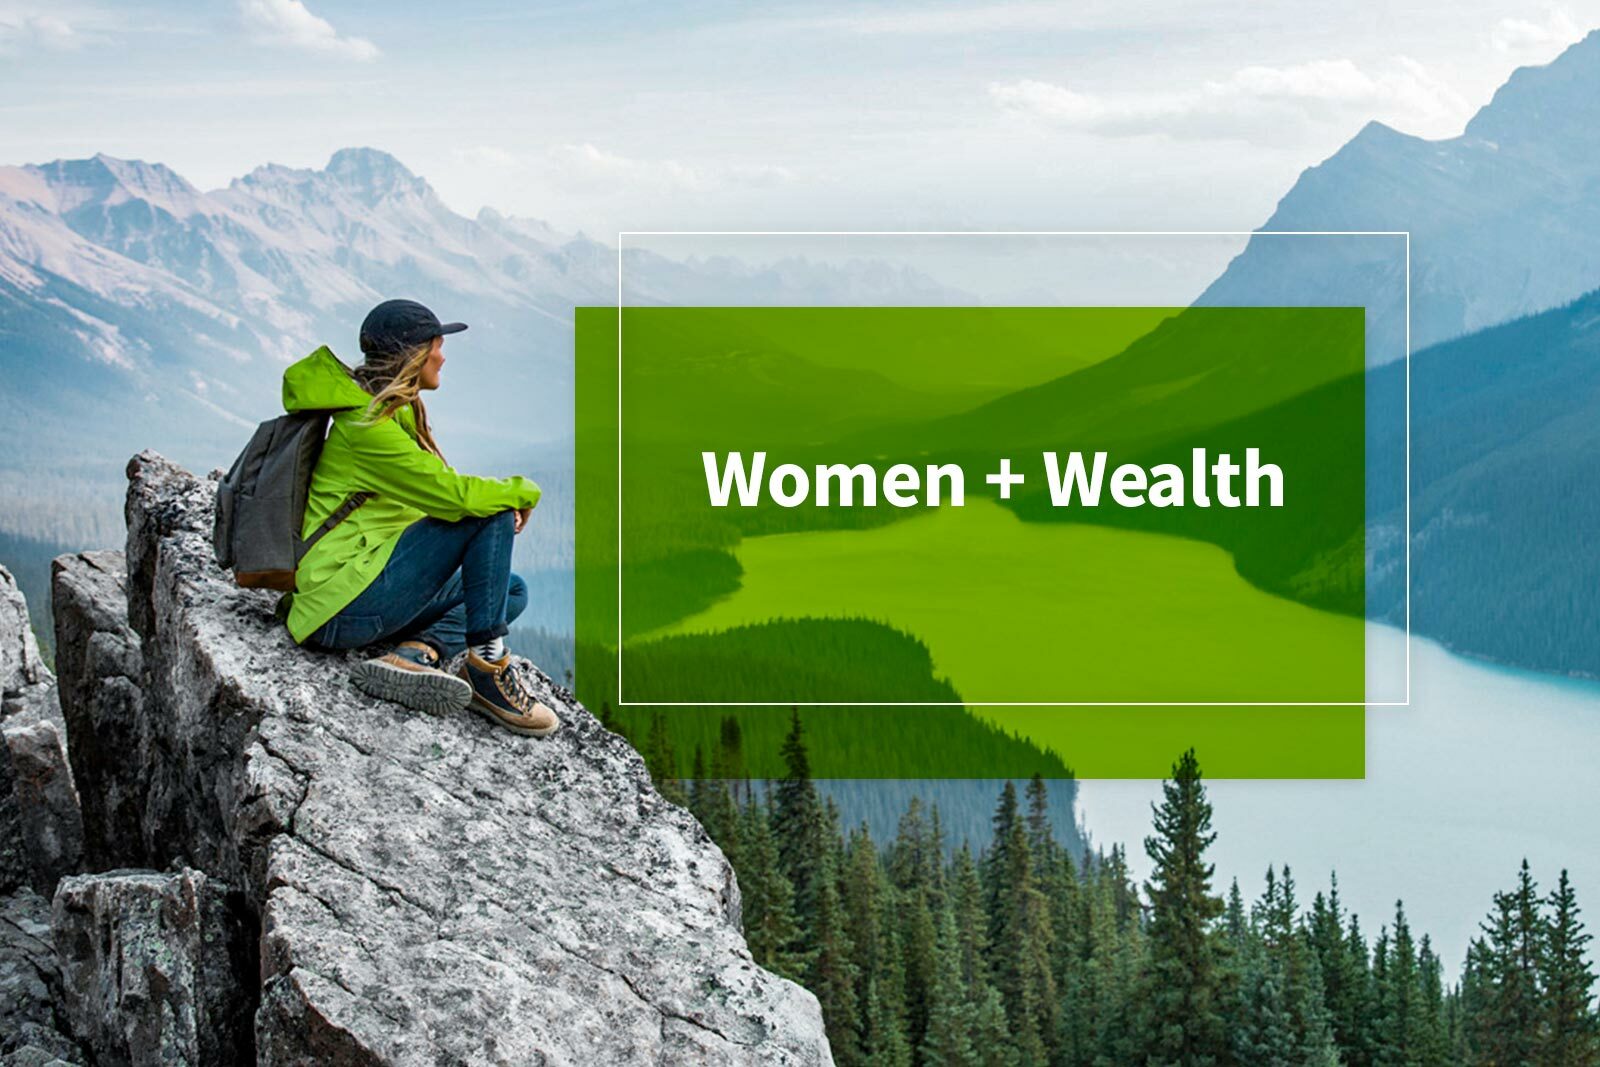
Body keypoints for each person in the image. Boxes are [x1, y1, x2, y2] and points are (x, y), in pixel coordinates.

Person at [278, 298, 558, 737]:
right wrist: (522, 492)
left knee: (510, 590)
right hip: (340, 606)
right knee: (490, 511)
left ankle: (414, 654)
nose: (443, 356)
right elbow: (453, 497)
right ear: (414, 354)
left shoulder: (391, 411)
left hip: (362, 586)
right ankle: (487, 670)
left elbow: (437, 491)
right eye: (437, 345)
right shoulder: (368, 426)